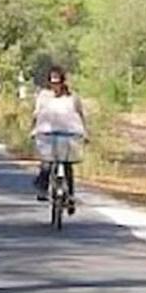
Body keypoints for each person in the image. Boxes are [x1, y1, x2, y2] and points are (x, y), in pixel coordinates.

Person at [31, 66, 87, 213]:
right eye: (52, 82)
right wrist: (34, 130)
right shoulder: (43, 96)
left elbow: (80, 115)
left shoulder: (72, 97)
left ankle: (70, 197)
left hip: (67, 134)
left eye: (57, 82)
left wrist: (84, 132)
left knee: (67, 165)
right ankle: (42, 188)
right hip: (48, 133)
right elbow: (37, 114)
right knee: (47, 164)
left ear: (63, 82)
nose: (55, 85)